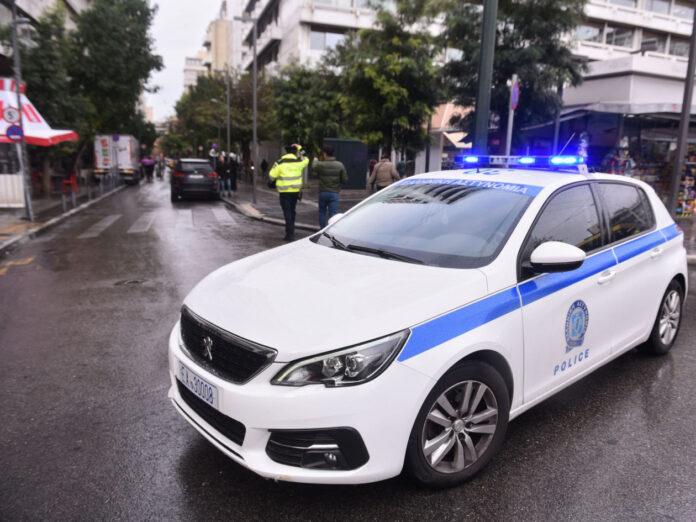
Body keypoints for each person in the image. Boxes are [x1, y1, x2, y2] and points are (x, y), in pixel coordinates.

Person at [269, 144, 309, 241]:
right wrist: (300, 147)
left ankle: (290, 234)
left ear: (286, 152)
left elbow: (271, 176)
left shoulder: (280, 162)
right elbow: (307, 158)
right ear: (295, 153)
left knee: (287, 212)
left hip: (284, 192)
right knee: (292, 211)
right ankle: (291, 231)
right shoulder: (299, 162)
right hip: (295, 191)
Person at [312, 145, 348, 228]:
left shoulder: (321, 164)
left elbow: (313, 167)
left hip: (323, 192)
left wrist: (315, 160)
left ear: (325, 154)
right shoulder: (340, 165)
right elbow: (345, 179)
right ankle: (332, 229)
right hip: (334, 193)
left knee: (322, 212)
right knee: (333, 213)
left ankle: (322, 229)